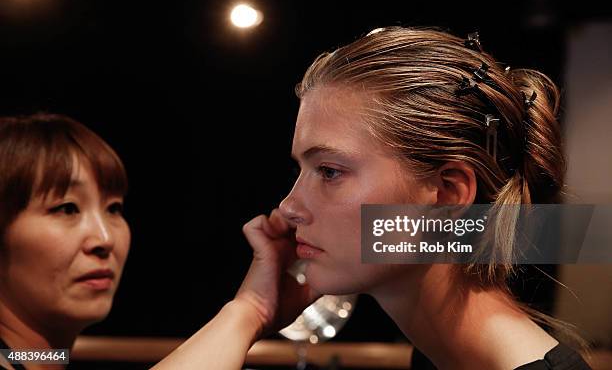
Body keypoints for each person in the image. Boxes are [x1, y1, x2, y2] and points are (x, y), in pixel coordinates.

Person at [155, 27, 592, 369]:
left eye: (330, 171)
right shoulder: (439, 359)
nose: (288, 207)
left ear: (448, 194)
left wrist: (244, 316)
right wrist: (248, 311)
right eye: (300, 170)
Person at [0, 114, 130, 370]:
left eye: (113, 208)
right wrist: (234, 314)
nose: (105, 239)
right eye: (67, 208)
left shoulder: (42, 357)